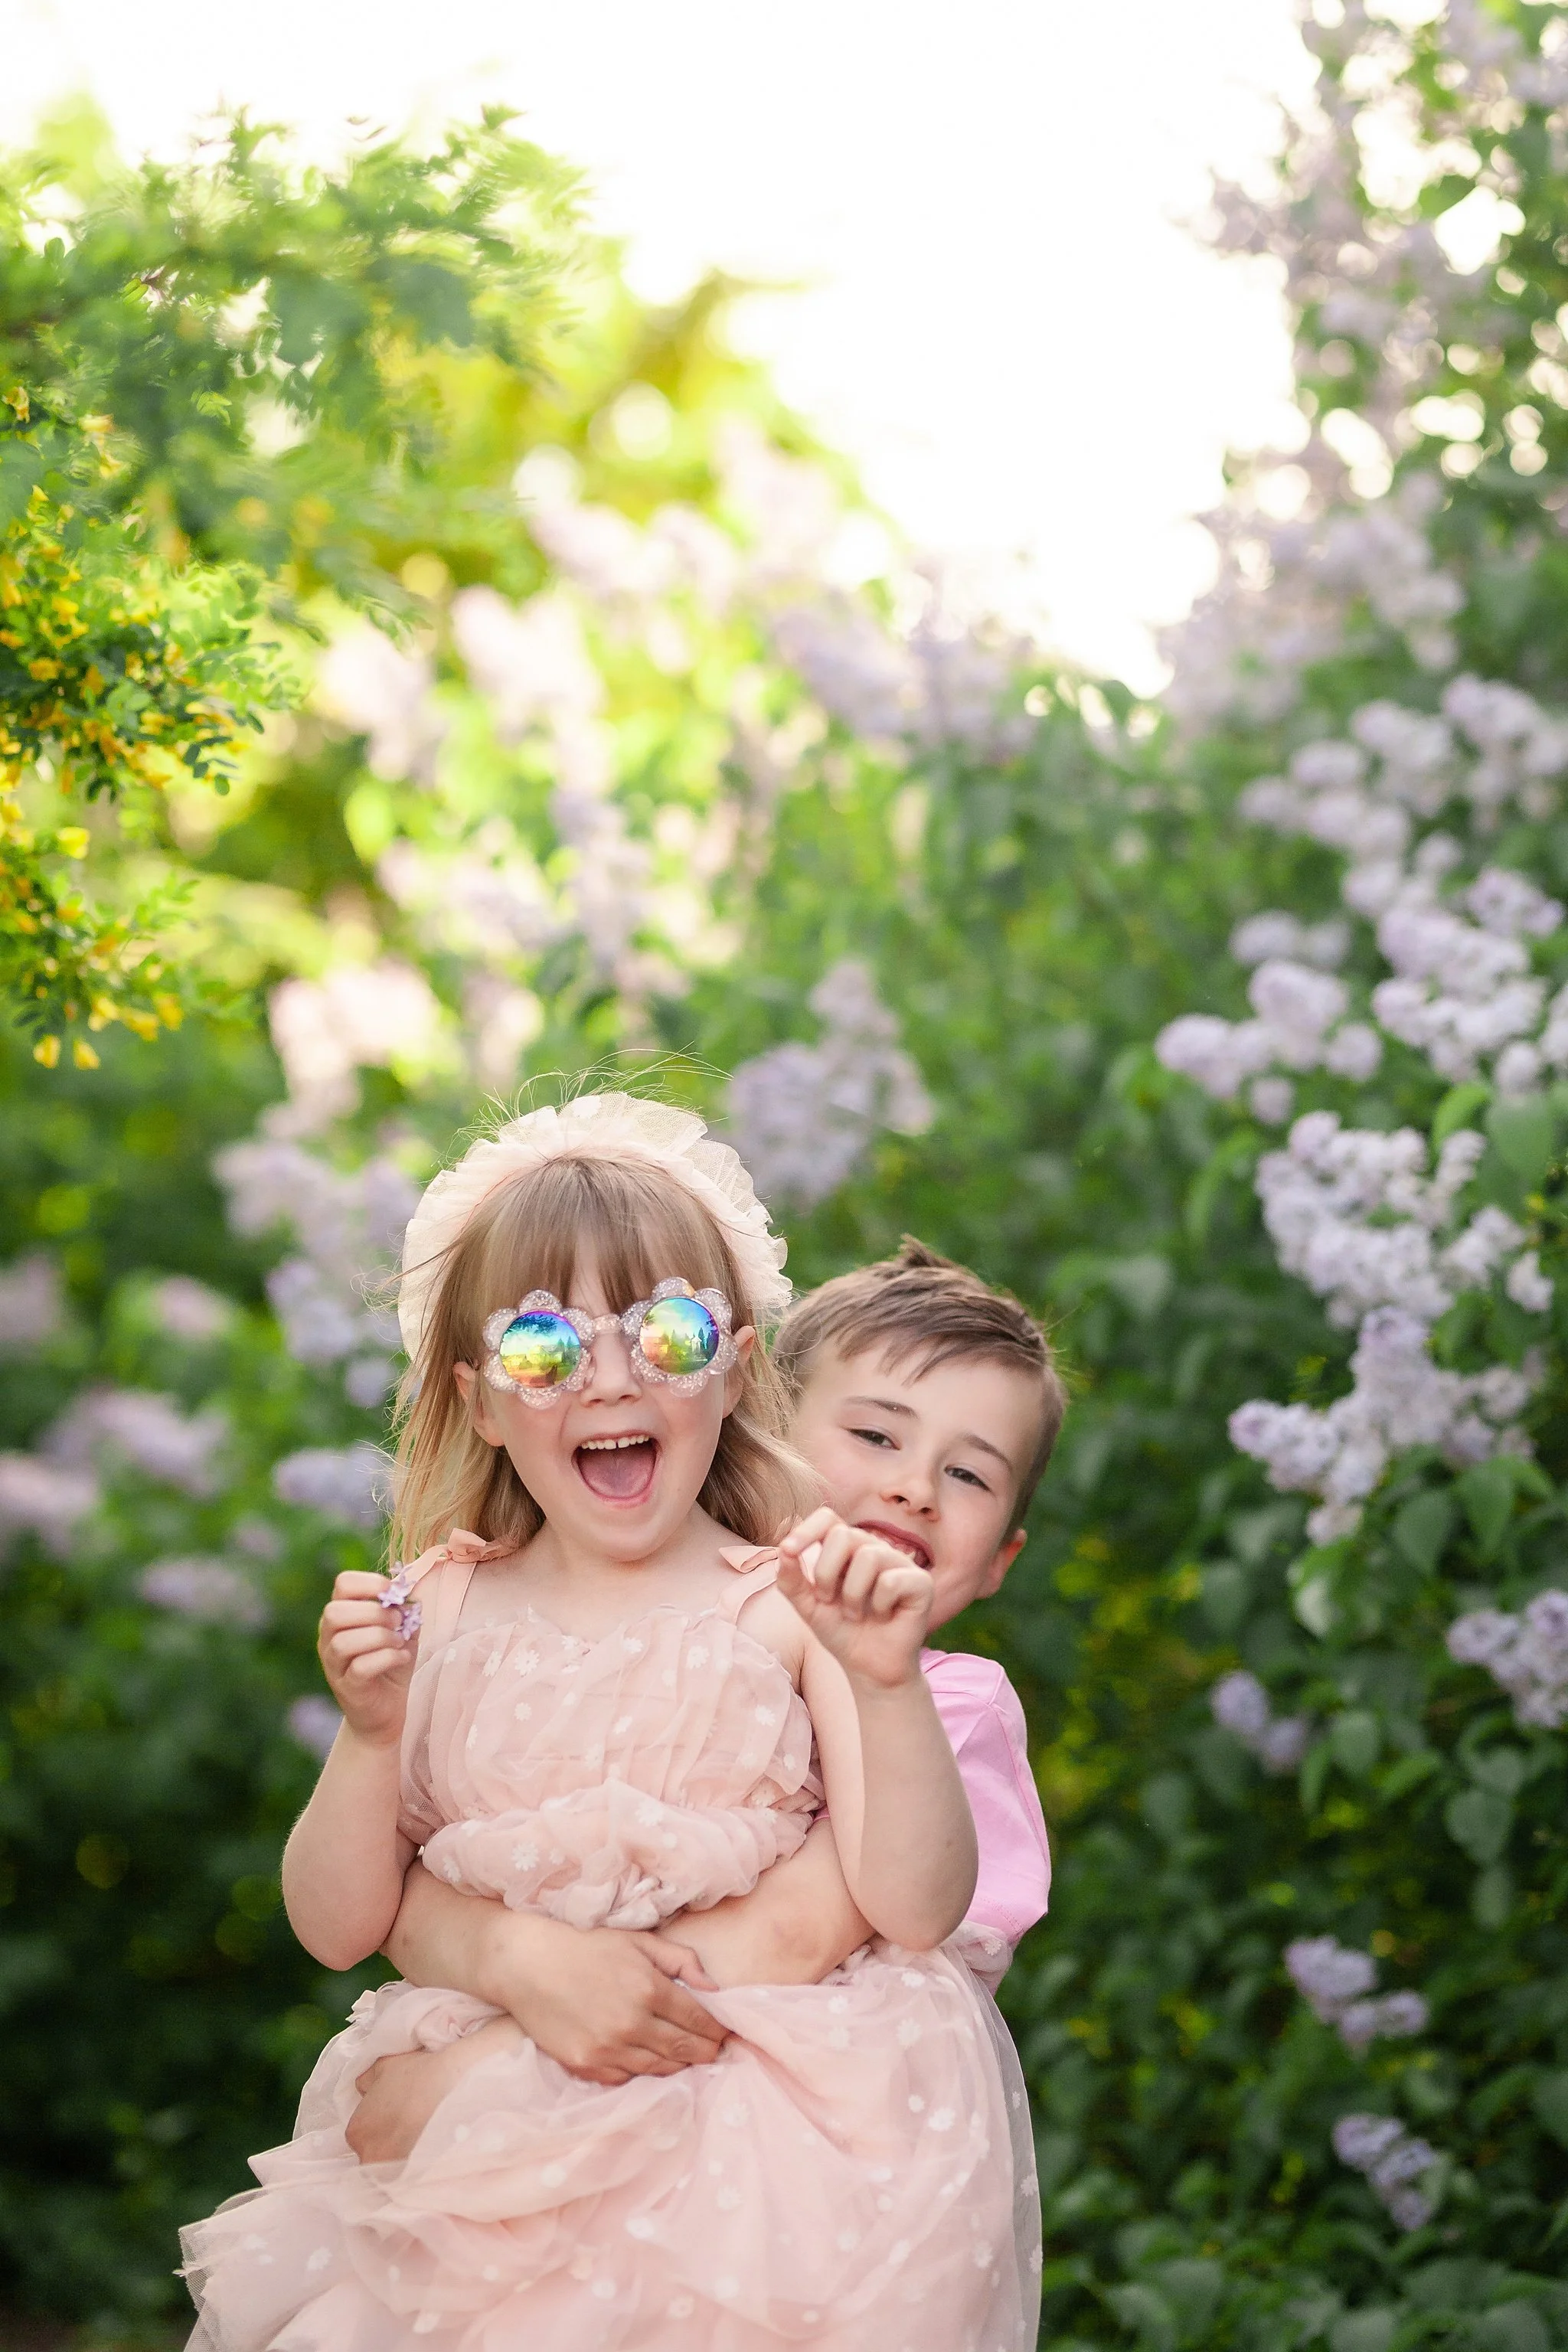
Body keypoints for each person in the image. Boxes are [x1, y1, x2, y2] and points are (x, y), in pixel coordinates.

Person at [180, 1093, 1034, 2349]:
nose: (612, 1374)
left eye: (668, 1332)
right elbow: (336, 1922)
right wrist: (367, 1738)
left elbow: (911, 1904)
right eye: (543, 1348)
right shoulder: (444, 1609)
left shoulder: (788, 1610)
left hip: (741, 2158)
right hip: (473, 2199)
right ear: (477, 1400)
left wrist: (886, 1681)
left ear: (738, 1363)